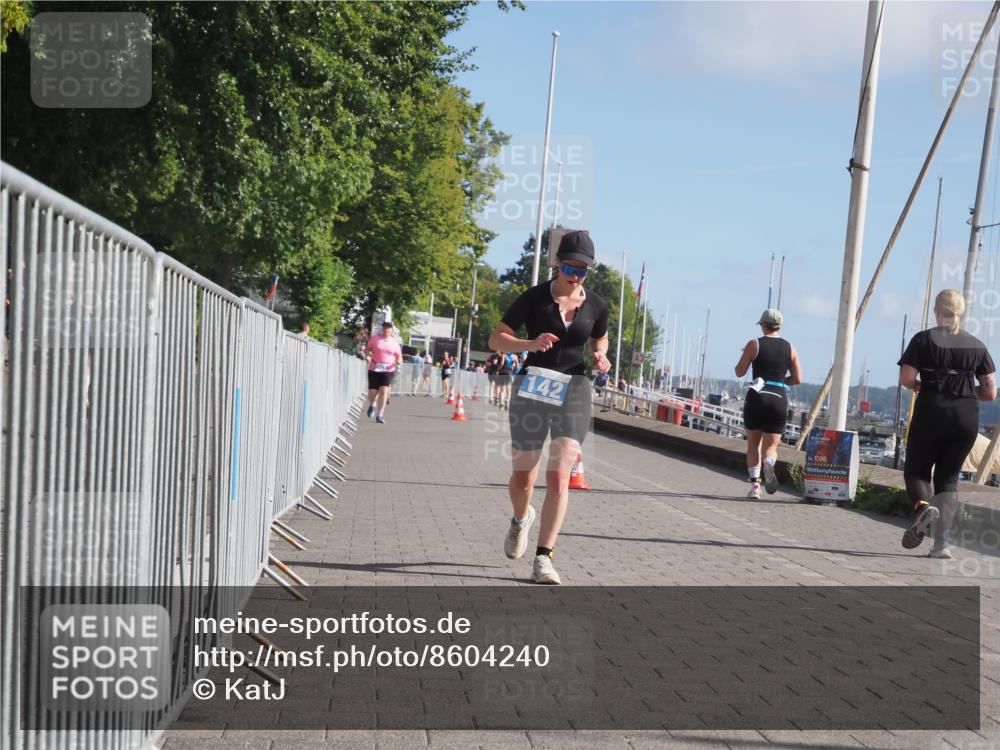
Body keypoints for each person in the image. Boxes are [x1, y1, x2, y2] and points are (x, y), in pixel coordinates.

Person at [488, 230, 610, 585]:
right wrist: (529, 342)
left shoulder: (597, 305)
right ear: (558, 263)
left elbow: (599, 336)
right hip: (534, 385)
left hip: (575, 387)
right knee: (523, 477)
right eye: (570, 267)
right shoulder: (535, 298)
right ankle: (521, 517)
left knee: (559, 474)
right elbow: (496, 339)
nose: (575, 276)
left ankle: (544, 558)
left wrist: (601, 356)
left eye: (583, 270)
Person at [898, 289, 996, 557]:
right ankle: (943, 545)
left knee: (917, 471)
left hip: (932, 411)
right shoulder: (976, 345)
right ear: (961, 313)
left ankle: (921, 507)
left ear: (937, 312)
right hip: (965, 417)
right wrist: (965, 392)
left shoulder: (922, 340)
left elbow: (907, 379)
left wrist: (921, 385)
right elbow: (989, 392)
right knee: (949, 480)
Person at [734, 308, 803, 500]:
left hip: (757, 396)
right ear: (779, 326)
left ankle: (755, 486)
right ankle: (769, 461)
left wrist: (745, 355)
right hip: (779, 397)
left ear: (763, 325)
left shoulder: (754, 344)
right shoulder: (791, 347)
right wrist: (781, 383)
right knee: (771, 447)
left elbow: (739, 372)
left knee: (753, 445)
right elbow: (798, 378)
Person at [364, 321, 403, 424]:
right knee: (372, 393)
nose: (386, 330)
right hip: (374, 368)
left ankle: (380, 415)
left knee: (384, 390)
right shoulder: (375, 340)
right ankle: (372, 404)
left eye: (389, 328)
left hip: (388, 369)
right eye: (385, 328)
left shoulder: (395, 343)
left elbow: (399, 357)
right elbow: (367, 350)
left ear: (391, 331)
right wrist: (367, 357)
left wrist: (399, 361)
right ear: (382, 329)